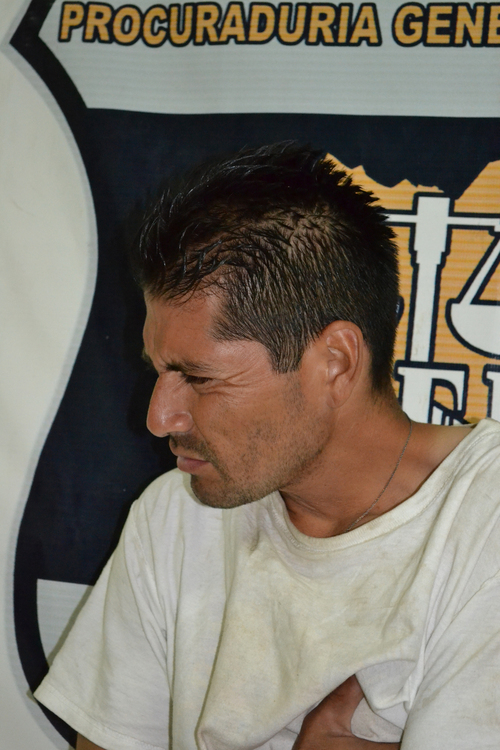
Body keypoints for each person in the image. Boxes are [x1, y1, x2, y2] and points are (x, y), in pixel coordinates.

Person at [35, 143, 500, 750]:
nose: (159, 418)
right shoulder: (176, 514)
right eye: (158, 371)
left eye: (199, 377)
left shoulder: (484, 524)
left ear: (335, 362)